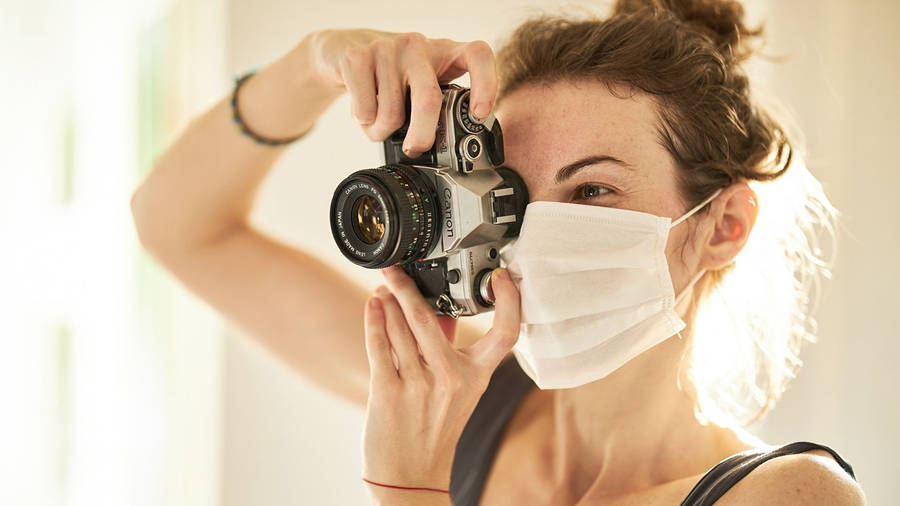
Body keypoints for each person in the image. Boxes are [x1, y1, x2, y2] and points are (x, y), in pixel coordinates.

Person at [130, 0, 866, 504]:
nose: (531, 232)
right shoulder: (469, 403)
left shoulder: (790, 494)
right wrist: (311, 65)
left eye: (590, 192)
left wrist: (408, 487)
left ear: (722, 225)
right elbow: (176, 225)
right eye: (509, 193)